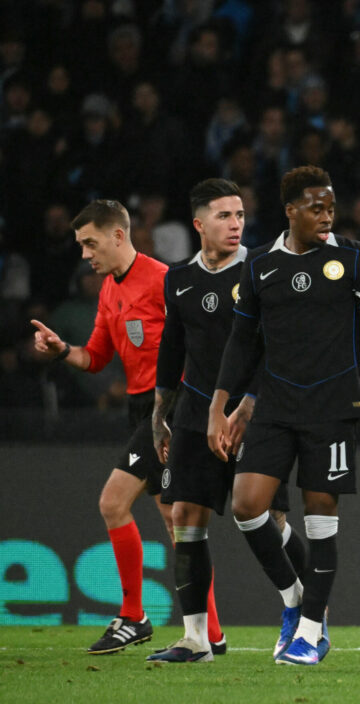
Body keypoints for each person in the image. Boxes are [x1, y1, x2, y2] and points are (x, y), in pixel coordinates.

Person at [208, 166, 360, 666]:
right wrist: (218, 406)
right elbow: (241, 343)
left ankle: (312, 631)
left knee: (321, 519)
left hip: (333, 410)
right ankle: (295, 598)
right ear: (290, 210)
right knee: (248, 507)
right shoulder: (260, 267)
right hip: (274, 407)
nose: (327, 217)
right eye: (317, 208)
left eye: (331, 208)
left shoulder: (353, 258)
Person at [30, 200, 200, 654]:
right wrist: (62, 349)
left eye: (90, 242)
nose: (85, 254)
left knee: (112, 502)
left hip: (171, 404)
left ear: (118, 236)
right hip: (140, 407)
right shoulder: (109, 290)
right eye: (82, 245)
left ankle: (133, 616)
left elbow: (201, 341)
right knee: (177, 522)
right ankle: (208, 633)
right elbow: (96, 358)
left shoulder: (164, 280)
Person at [147, 179, 307, 663]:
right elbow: (173, 347)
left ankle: (305, 606)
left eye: (239, 214)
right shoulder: (178, 279)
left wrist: (250, 403)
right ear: (199, 224)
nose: (236, 223)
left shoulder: (263, 266)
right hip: (195, 413)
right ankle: (196, 639)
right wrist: (160, 414)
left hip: (258, 412)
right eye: (223, 216)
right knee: (184, 517)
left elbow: (277, 343)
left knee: (267, 516)